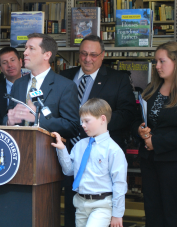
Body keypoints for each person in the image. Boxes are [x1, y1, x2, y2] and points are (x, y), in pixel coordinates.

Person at [59, 35, 136, 226]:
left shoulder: (118, 79)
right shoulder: (64, 77)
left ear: (103, 55)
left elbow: (127, 114)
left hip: (101, 156)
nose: (87, 59)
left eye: (93, 55)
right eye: (84, 54)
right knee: (71, 208)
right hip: (67, 150)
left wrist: (95, 127)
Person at [51, 98, 127, 227]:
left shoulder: (113, 150)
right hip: (81, 203)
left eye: (87, 121)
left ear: (103, 119)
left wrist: (117, 213)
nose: (83, 125)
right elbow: (69, 170)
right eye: (82, 121)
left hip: (102, 205)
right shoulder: (80, 145)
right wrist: (62, 150)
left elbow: (119, 183)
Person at [131, 41, 177, 227]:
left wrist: (156, 142)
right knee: (152, 209)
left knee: (172, 211)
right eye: (155, 61)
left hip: (172, 162)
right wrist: (140, 131)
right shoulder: (151, 89)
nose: (157, 66)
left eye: (162, 61)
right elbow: (135, 119)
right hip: (149, 161)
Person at [3, 33, 79, 139]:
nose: (25, 53)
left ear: (47, 55)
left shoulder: (66, 86)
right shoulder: (19, 84)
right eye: (25, 48)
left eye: (31, 48)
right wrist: (8, 122)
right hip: (18, 148)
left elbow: (73, 128)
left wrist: (37, 118)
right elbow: (8, 114)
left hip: (46, 152)